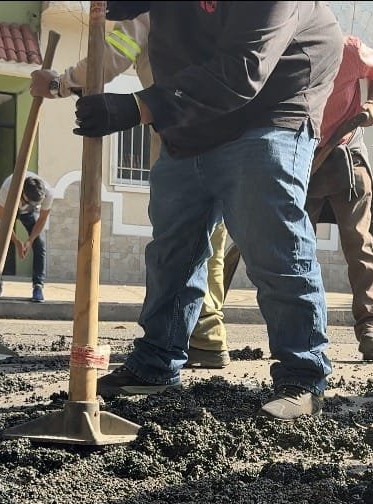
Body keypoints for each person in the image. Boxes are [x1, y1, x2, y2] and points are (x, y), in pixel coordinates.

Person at [64, 1, 341, 420]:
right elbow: (122, 36)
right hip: (192, 118)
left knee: (271, 242)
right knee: (172, 249)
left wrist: (136, 107)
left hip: (270, 107)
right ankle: (156, 364)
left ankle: (303, 377)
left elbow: (243, 68)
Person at [33, 14, 234, 371]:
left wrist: (58, 85)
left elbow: (110, 56)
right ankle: (205, 337)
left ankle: (183, 342)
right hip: (222, 131)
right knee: (208, 243)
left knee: (181, 244)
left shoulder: (149, 11)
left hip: (179, 136)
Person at [305, 35, 373, 362]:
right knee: (295, 248)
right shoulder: (280, 47)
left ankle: (370, 326)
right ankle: (306, 330)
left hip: (346, 156)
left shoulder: (347, 49)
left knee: (359, 242)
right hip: (306, 160)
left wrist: (371, 104)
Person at [0, 172, 52, 302]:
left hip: (29, 215)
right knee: (0, 243)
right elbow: (3, 220)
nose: (30, 204)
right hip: (9, 210)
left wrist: (30, 240)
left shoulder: (48, 193)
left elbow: (42, 218)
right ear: (22, 193)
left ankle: (38, 287)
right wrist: (16, 241)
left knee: (40, 244)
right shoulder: (8, 188)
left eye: (35, 203)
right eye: (28, 201)